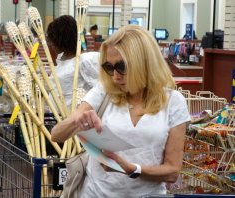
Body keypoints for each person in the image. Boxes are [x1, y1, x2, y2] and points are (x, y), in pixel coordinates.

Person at [51, 25, 190, 197]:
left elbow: (172, 171)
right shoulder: (104, 91)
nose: (115, 76)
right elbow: (56, 135)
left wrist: (132, 169)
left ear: (144, 63)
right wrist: (77, 120)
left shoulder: (173, 102)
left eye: (121, 67)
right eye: (109, 67)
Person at [46, 15, 100, 108]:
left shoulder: (86, 61)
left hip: (75, 117)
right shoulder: (62, 59)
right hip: (58, 116)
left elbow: (101, 90)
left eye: (53, 39)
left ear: (63, 38)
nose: (50, 44)